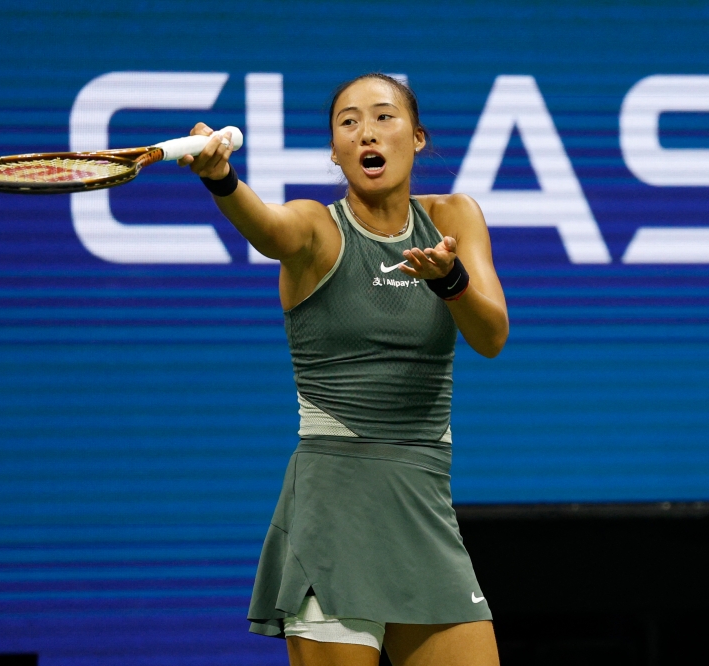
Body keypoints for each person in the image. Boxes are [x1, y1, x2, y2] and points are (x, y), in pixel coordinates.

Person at [178, 72, 508, 666]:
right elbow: (268, 228)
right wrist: (223, 180)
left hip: (422, 507)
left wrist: (449, 282)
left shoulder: (456, 217)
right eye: (348, 122)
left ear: (418, 137)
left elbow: (492, 336)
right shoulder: (315, 228)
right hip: (334, 514)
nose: (365, 133)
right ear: (334, 150)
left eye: (384, 116)